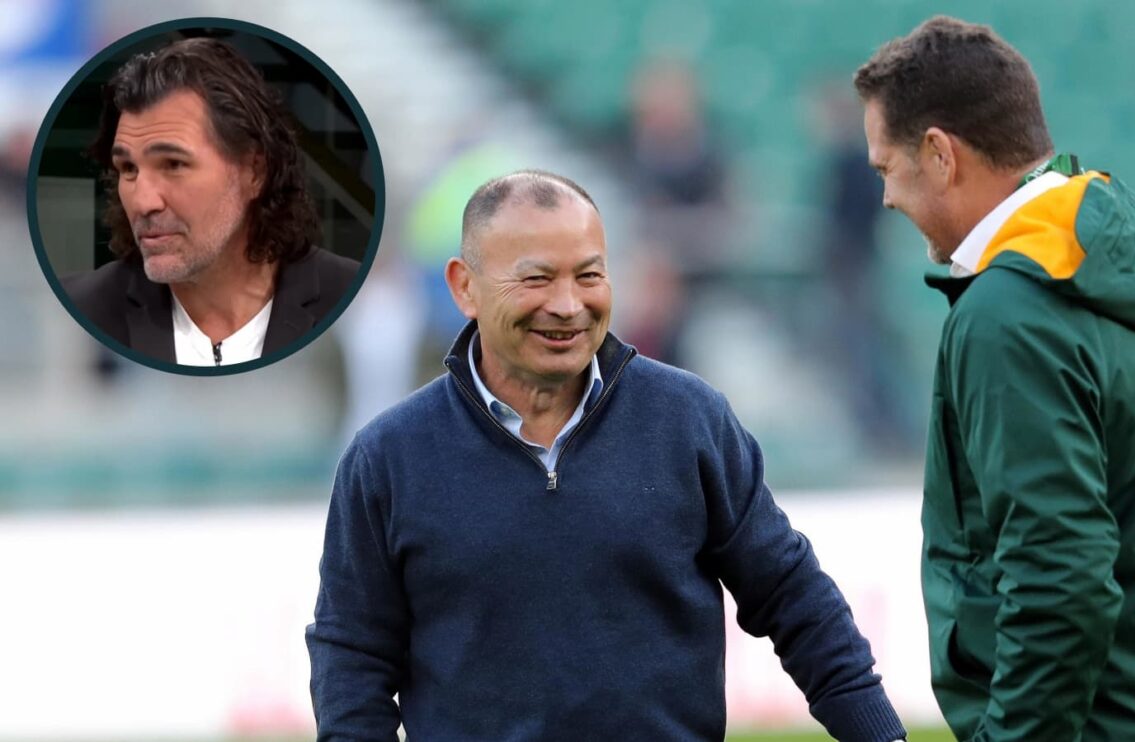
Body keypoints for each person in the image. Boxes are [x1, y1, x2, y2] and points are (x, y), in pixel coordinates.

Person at [305, 169, 907, 742]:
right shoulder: (388, 458)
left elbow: (790, 595)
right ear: (465, 286)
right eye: (537, 279)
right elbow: (353, 651)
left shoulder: (689, 419)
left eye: (589, 276)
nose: (568, 304)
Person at [853, 16, 1135, 741]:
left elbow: (1060, 578)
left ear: (939, 154)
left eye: (886, 169)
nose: (886, 197)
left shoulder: (1007, 313)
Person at [61, 37, 359, 367]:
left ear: (255, 171)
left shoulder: (346, 293)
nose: (144, 202)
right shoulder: (85, 305)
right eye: (128, 168)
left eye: (173, 164)